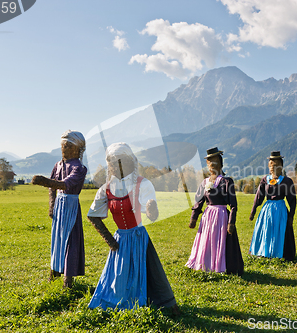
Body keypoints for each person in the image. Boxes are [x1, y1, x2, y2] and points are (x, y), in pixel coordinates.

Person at [86, 143, 178, 313]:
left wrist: (152, 208)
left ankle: (162, 303)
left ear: (130, 162)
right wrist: (109, 240)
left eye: (120, 162)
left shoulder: (142, 185)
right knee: (118, 276)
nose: (115, 166)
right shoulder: (106, 189)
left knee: (150, 271)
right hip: (120, 239)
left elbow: (152, 215)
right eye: (112, 162)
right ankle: (120, 302)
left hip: (138, 237)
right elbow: (92, 215)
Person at [32, 130, 87, 288]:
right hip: (59, 207)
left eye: (67, 145)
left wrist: (45, 182)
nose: (64, 148)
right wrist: (52, 204)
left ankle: (67, 281)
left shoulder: (79, 168)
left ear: (76, 148)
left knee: (71, 241)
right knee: (57, 240)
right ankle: (53, 274)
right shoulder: (58, 165)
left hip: (70, 206)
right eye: (63, 145)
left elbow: (64, 184)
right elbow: (53, 187)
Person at [186, 147, 244, 275]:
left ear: (220, 163)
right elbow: (199, 201)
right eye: (209, 162)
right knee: (207, 241)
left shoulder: (227, 181)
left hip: (222, 216)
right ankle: (205, 263)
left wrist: (231, 222)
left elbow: (233, 205)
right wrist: (193, 218)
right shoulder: (205, 182)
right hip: (208, 217)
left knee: (220, 241)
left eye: (214, 162)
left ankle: (220, 265)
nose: (211, 165)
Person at [248, 151, 296, 261]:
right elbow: (259, 196)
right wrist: (253, 210)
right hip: (267, 210)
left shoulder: (287, 181)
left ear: (281, 166)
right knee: (266, 230)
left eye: (275, 165)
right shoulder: (265, 180)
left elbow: (292, 200)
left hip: (280, 210)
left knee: (279, 230)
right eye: (270, 165)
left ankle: (279, 252)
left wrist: (291, 216)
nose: (272, 167)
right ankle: (263, 251)